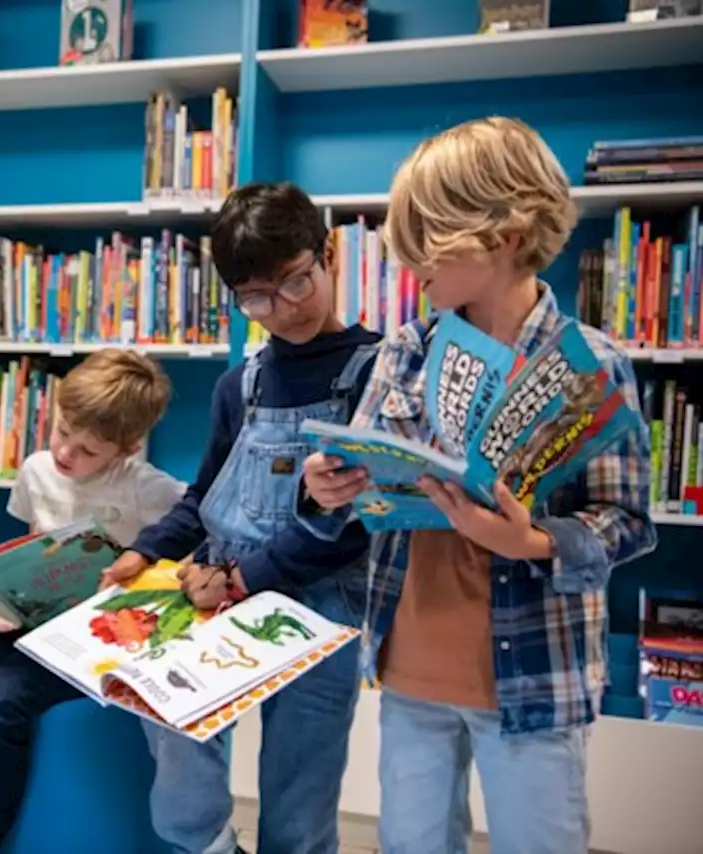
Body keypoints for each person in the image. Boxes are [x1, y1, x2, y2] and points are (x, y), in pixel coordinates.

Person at [301, 116, 657, 853]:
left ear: (503, 235)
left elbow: (623, 522)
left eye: (426, 243)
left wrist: (529, 539)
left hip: (531, 677)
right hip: (409, 667)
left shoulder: (591, 363)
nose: (407, 266)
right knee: (411, 842)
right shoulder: (404, 351)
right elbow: (364, 487)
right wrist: (329, 488)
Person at [105, 182, 382, 854]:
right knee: (168, 721)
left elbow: (358, 525)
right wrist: (144, 552)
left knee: (298, 809)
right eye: (255, 297)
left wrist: (241, 577)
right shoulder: (242, 384)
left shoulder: (378, 372)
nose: (281, 310)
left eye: (295, 282)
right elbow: (205, 497)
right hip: (220, 595)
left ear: (328, 257)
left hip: (321, 608)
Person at [0, 349, 186, 854]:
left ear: (127, 448)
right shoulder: (37, 472)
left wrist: (145, 565)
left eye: (88, 450)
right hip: (36, 629)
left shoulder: (148, 490)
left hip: (98, 641)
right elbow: (31, 550)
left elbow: (194, 528)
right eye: (62, 433)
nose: (66, 455)